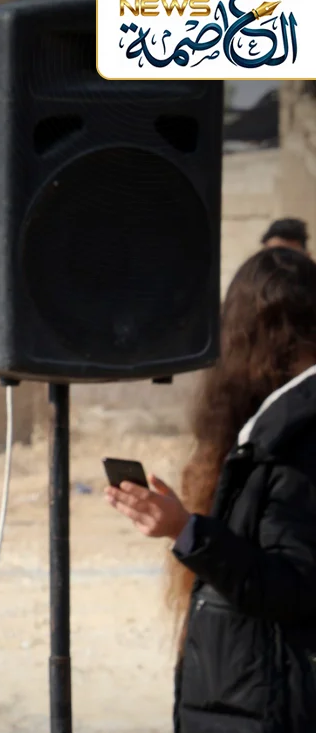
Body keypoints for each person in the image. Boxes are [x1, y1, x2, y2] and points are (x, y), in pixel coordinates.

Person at [105, 246, 316, 732]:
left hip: (269, 707)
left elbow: (290, 584)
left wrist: (188, 532)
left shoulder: (299, 437)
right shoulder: (277, 426)